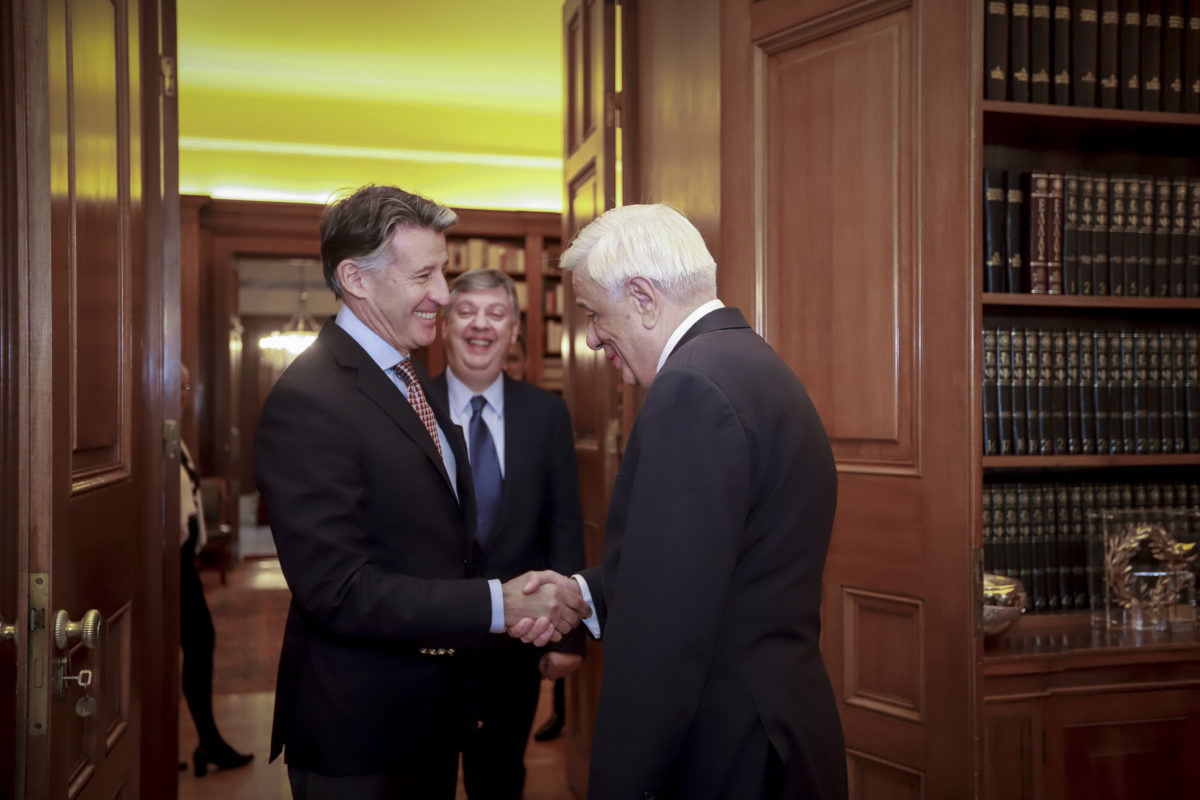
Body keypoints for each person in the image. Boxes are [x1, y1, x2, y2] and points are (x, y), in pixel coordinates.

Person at [253, 185, 587, 800]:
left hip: (429, 717)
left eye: (443, 272)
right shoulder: (311, 399)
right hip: (363, 737)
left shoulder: (404, 379)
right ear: (355, 279)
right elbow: (338, 592)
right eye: (423, 276)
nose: (442, 294)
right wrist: (498, 605)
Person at [539, 203, 848, 799]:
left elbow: (666, 635)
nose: (592, 336)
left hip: (728, 750)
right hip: (778, 728)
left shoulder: (690, 388)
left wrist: (617, 786)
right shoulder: (749, 362)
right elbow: (713, 565)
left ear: (643, 297)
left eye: (594, 314)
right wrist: (584, 594)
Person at [429, 269, 585, 799]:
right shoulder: (408, 407)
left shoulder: (547, 414)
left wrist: (567, 635)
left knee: (499, 782)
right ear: (444, 325)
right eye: (466, 312)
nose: (481, 325)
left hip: (515, 648)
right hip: (425, 645)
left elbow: (564, 523)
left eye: (495, 314)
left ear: (514, 330)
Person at [178, 365, 254, 777]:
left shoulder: (173, 435)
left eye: (186, 386)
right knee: (197, 641)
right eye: (179, 386)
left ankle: (205, 740)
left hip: (182, 561)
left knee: (196, 643)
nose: (184, 394)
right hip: (169, 565)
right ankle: (206, 742)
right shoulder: (153, 433)